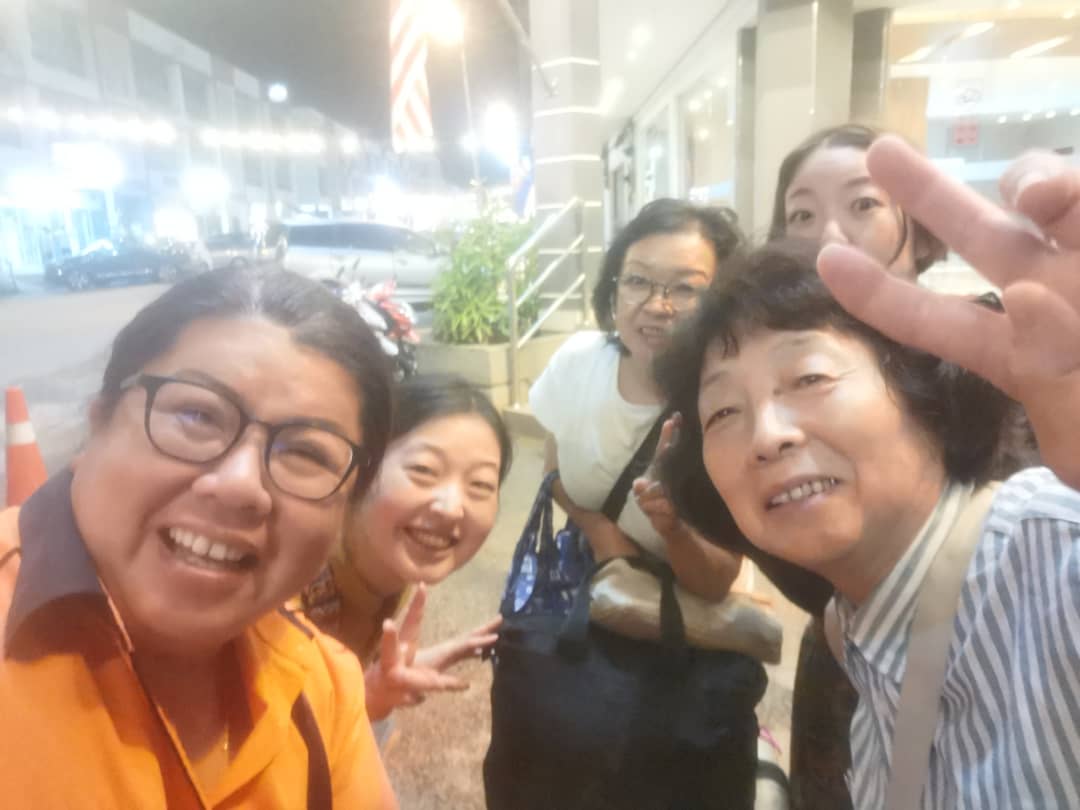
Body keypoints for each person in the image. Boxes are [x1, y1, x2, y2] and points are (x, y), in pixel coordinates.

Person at [658, 222, 1080, 806]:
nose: (767, 436)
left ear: (920, 386)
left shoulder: (1048, 556)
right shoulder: (859, 631)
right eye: (723, 411)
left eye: (809, 377)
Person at [0, 266, 398, 808]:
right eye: (196, 414)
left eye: (306, 452)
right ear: (99, 422)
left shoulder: (322, 687)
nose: (240, 485)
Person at [522, 198, 764, 806]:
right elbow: (553, 471)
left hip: (679, 640)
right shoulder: (579, 363)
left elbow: (716, 580)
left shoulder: (726, 403)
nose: (657, 305)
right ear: (614, 288)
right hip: (580, 599)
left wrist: (673, 528)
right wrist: (604, 537)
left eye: (685, 288)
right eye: (637, 281)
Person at [299, 373, 511, 721]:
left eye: (480, 485)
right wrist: (368, 700)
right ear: (362, 466)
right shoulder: (292, 578)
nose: (451, 507)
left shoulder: (392, 561)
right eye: (424, 470)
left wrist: (382, 674)